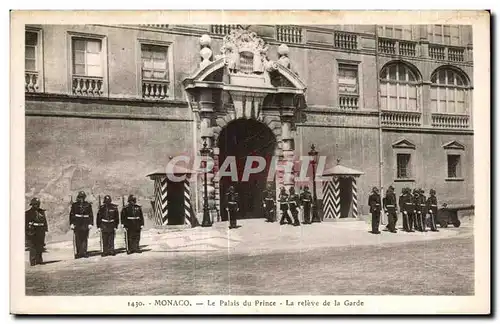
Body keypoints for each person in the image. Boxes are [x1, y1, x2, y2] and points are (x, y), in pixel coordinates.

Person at [69, 191, 94, 258]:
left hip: (85, 222)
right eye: (80, 197)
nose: (81, 198)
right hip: (77, 223)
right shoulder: (74, 205)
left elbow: (91, 215)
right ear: (78, 197)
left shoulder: (88, 205)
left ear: (84, 197)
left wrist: (90, 223)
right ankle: (79, 253)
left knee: (84, 238)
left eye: (83, 197)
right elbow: (71, 215)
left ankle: (84, 252)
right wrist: (71, 223)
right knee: (78, 238)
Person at [25, 197, 48, 266]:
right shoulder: (28, 213)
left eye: (38, 204)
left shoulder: (42, 212)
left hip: (40, 231)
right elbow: (26, 223)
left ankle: (39, 260)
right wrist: (27, 232)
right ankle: (33, 261)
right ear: (32, 205)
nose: (37, 205)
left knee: (40, 245)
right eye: (35, 204)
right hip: (32, 231)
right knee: (32, 246)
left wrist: (45, 229)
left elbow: (44, 221)